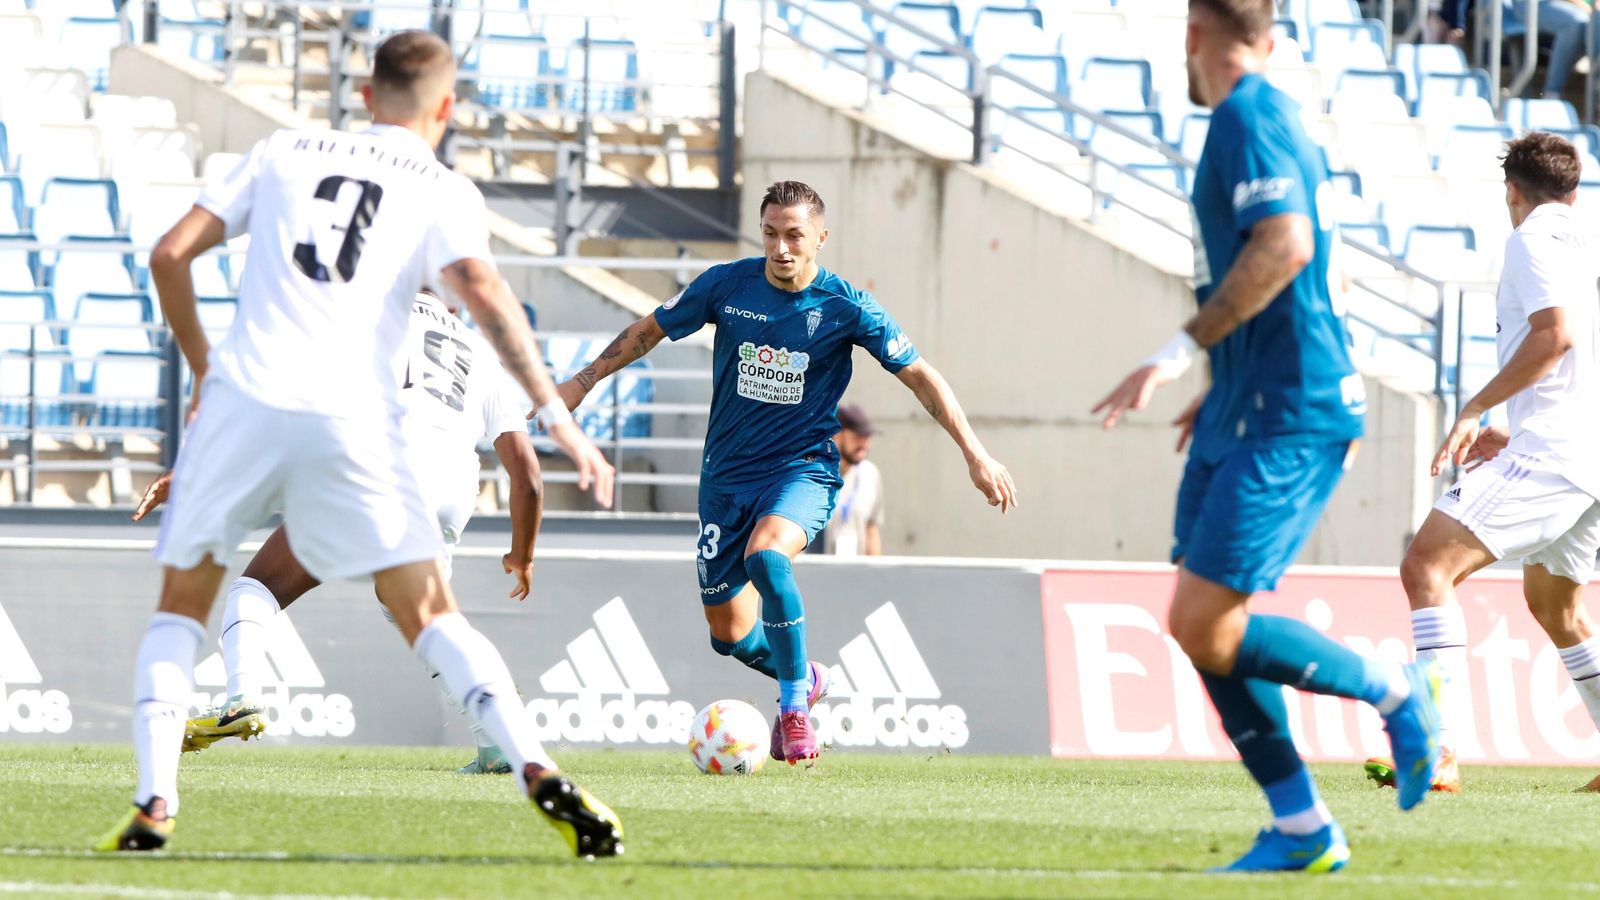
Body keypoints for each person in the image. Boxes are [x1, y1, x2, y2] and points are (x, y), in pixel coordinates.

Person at [97, 31, 624, 859]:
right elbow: (482, 291)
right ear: (445, 109)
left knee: (184, 608)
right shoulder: (441, 188)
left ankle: (156, 802)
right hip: (356, 422)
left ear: (365, 96)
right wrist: (559, 419)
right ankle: (535, 765)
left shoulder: (279, 151)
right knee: (430, 611)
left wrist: (204, 374)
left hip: (251, 397)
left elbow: (169, 253)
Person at [1093, 0, 1441, 873]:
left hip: (1286, 413)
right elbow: (1320, 270)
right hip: (1246, 405)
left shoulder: (1247, 114)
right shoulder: (1269, 115)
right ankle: (1302, 828)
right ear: (1272, 37)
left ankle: (1392, 689)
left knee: (1208, 624)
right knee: (1197, 621)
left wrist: (1180, 352)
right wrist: (1221, 379)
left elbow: (1286, 248)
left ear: (1192, 36)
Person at [553, 180, 1017, 764]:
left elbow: (920, 375)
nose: (781, 248)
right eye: (770, 233)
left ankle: (794, 709)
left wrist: (975, 453)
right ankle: (807, 677)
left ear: (821, 237)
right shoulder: (727, 285)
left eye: (795, 235)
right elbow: (649, 329)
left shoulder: (846, 306)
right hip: (725, 480)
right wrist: (583, 380)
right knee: (728, 637)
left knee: (767, 556)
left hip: (802, 471)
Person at [132, 290, 544, 777]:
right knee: (434, 623)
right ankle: (498, 742)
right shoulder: (480, 356)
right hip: (451, 486)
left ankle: (241, 698)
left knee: (256, 587)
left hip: (380, 467)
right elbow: (529, 477)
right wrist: (522, 554)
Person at [1365, 133, 1600, 795]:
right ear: (1575, 191)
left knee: (1427, 567)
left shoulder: (1531, 240)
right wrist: (1510, 428)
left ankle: (1437, 751)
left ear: (1513, 193)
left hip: (1558, 451)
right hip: (1585, 449)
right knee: (1556, 607)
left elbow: (1556, 337)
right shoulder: (1589, 242)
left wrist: (1473, 409)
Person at [822, 403, 884, 556]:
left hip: (856, 574)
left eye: (867, 437)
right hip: (814, 573)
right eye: (858, 437)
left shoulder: (870, 474)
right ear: (837, 434)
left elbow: (871, 530)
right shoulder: (814, 474)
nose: (864, 444)